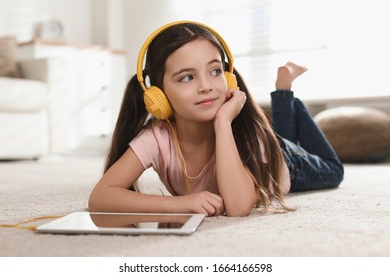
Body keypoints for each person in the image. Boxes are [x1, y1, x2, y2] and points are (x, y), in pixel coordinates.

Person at [88, 21, 344, 217]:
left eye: (215, 71)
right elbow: (101, 197)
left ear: (228, 76)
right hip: (267, 145)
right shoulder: (156, 137)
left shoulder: (247, 130)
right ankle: (284, 95)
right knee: (282, 136)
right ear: (158, 95)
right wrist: (178, 204)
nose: (206, 86)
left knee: (334, 170)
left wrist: (223, 123)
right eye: (187, 77)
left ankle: (285, 93)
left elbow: (238, 207)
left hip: (286, 162)